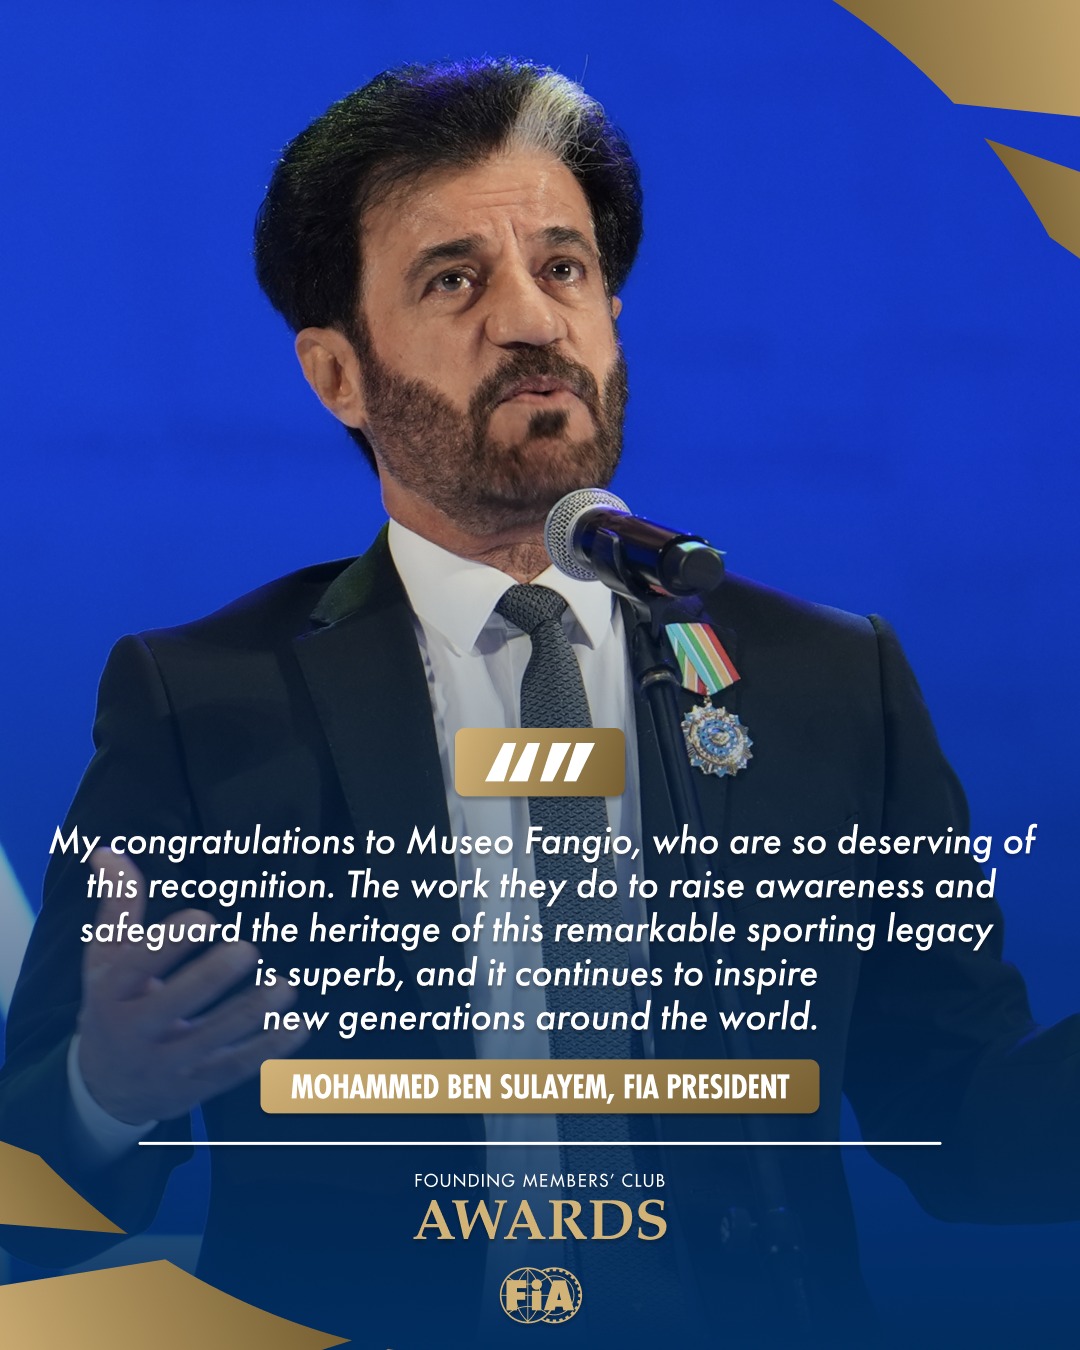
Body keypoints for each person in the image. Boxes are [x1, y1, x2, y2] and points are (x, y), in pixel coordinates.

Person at [1, 57, 1077, 1349]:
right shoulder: (203, 700)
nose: (532, 319)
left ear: (612, 316)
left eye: (564, 268)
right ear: (337, 373)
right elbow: (35, 1196)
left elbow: (965, 1123)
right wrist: (102, 1091)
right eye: (454, 279)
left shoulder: (831, 681)